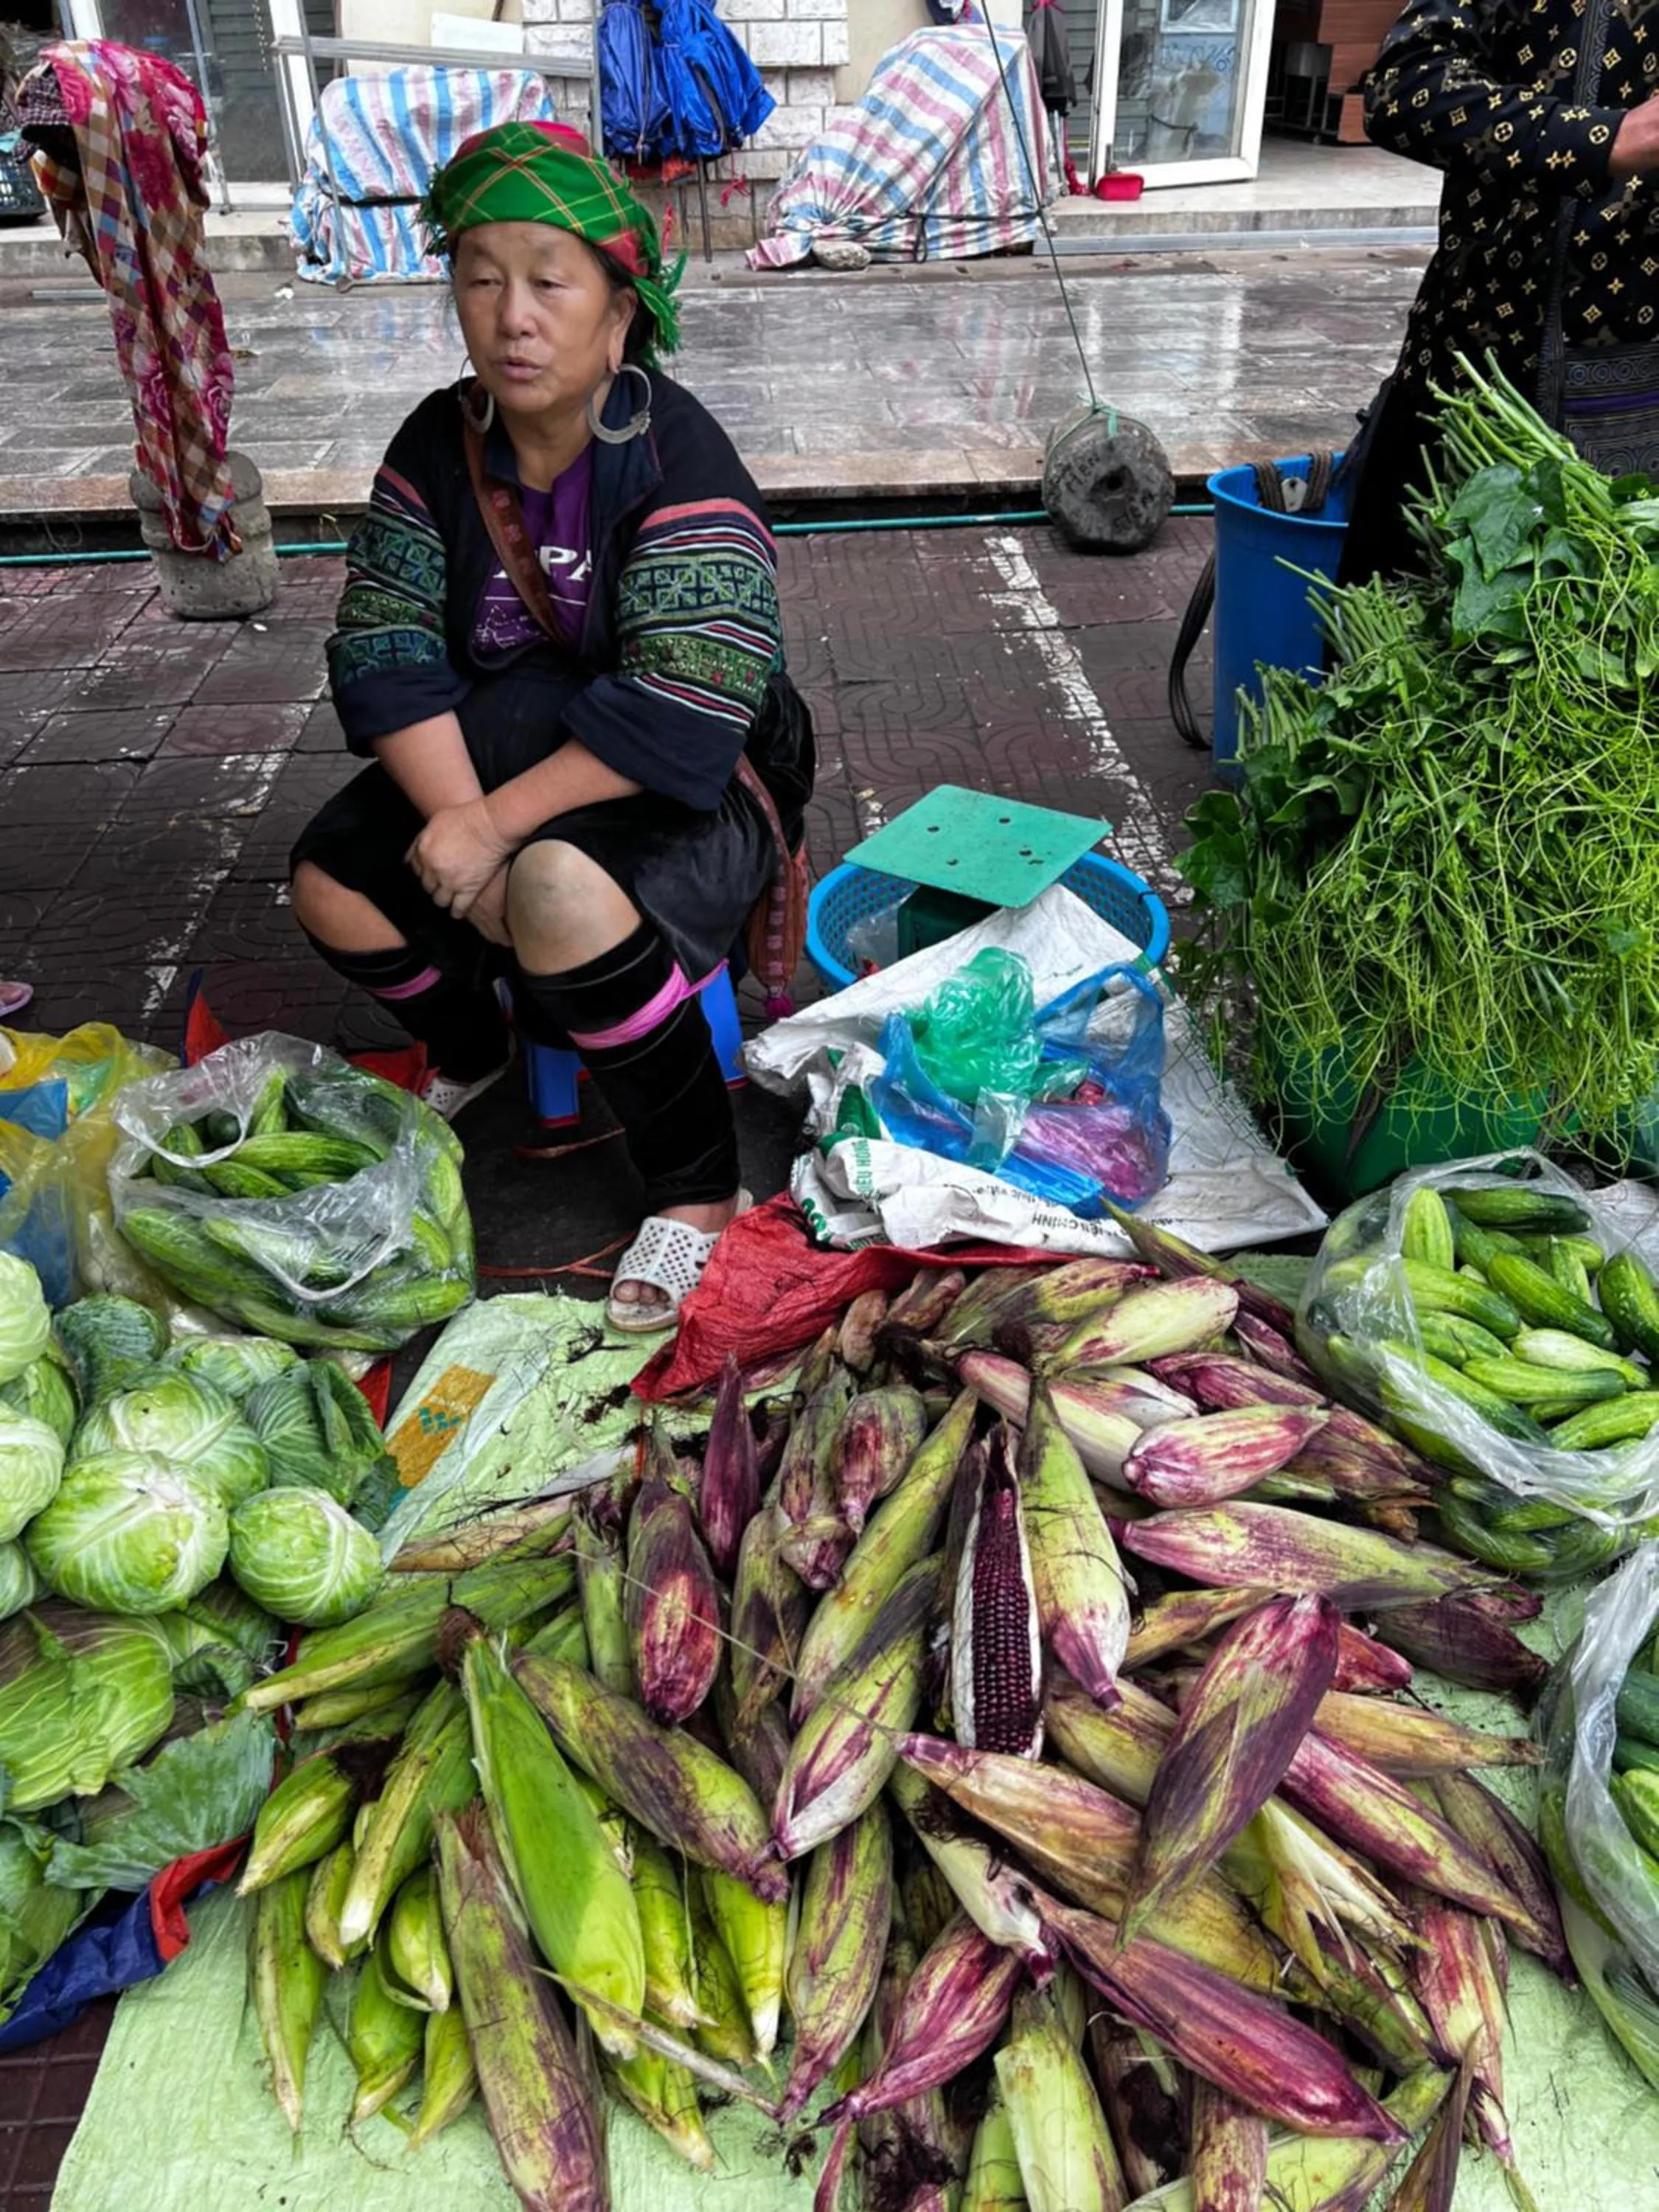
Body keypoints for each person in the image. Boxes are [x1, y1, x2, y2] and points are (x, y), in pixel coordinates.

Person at [290, 121, 813, 1335]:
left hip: (693, 776)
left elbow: (687, 702)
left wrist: (498, 834)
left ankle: (696, 1188)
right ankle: (486, 1037)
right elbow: (385, 648)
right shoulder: (437, 443)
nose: (511, 314)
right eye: (481, 278)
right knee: (331, 885)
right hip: (510, 750)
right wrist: (459, 827)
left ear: (618, 315)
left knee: (561, 893)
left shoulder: (678, 455)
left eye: (548, 280)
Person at [1341, 0, 1659, 584]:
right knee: (1401, 639)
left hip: (1639, 406)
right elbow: (1402, 89)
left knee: (1614, 642)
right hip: (1474, 367)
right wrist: (1604, 137)